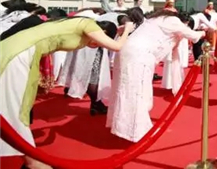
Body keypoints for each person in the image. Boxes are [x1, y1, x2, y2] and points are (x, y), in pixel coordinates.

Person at [0, 16, 134, 168]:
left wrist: (118, 31)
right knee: (13, 106)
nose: (95, 45)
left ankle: (31, 160)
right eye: (99, 42)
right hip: (19, 54)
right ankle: (32, 161)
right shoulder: (88, 24)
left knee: (9, 105)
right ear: (102, 31)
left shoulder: (79, 25)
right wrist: (128, 30)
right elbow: (116, 47)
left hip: (17, 49)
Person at [106, 10, 205, 142]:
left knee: (124, 89)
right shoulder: (172, 21)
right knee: (137, 92)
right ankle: (135, 131)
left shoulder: (153, 21)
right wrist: (204, 32)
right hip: (139, 55)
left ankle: (121, 125)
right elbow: (193, 35)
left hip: (126, 51)